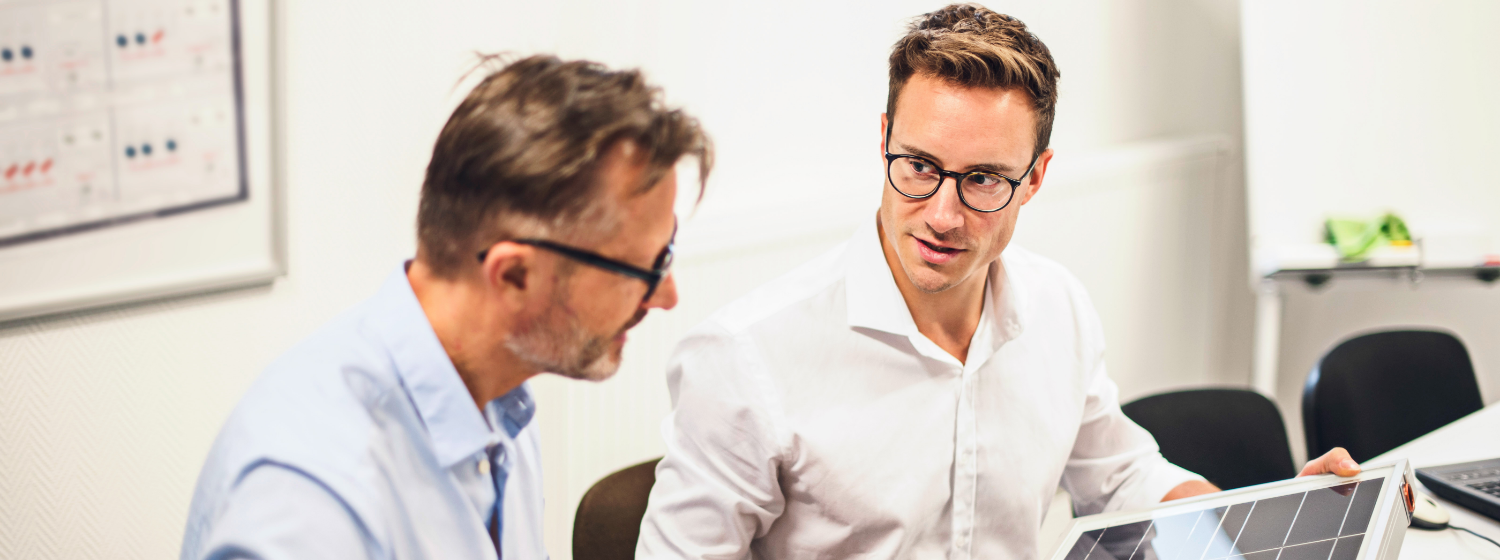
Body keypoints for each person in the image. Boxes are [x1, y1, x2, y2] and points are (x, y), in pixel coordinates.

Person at [636, 5, 1358, 559]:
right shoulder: (747, 354)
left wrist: (1263, 530)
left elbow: (1121, 479)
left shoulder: (1056, 309)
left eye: (983, 179)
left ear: (1036, 178)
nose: (942, 215)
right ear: (883, 138)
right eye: (918, 166)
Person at [180, 55, 710, 559]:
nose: (666, 296)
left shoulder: (502, 400)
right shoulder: (312, 496)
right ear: (515, 275)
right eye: (643, 270)